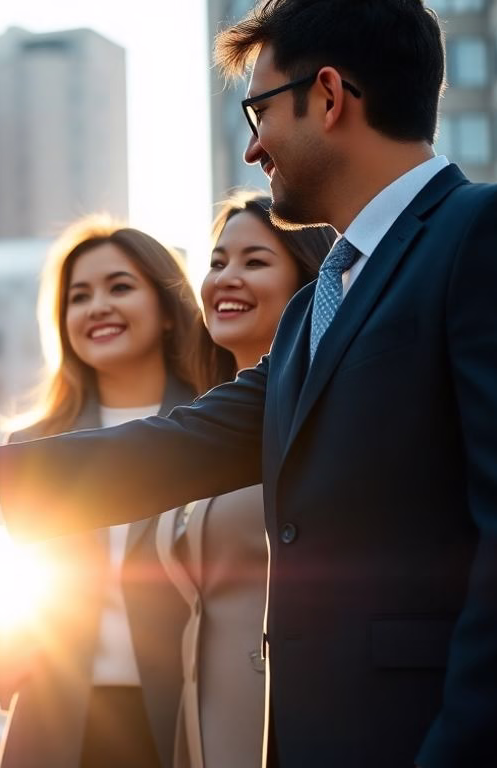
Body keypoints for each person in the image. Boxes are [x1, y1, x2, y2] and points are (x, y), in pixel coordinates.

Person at [0, 1, 497, 764]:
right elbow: (181, 446)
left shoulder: (488, 231)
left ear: (328, 96)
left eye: (259, 111)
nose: (253, 149)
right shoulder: (319, 305)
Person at [0, 218, 229, 768]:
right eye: (79, 296)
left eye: (120, 287)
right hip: (55, 721)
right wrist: (2, 641)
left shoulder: (217, 428)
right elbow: (20, 582)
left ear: (167, 311)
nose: (97, 307)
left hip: (187, 719)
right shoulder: (34, 445)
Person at [123, 192, 330, 768]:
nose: (227, 279)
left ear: (310, 282)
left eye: (255, 262)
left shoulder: (324, 419)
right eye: (217, 263)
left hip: (290, 718)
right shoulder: (195, 430)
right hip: (199, 720)